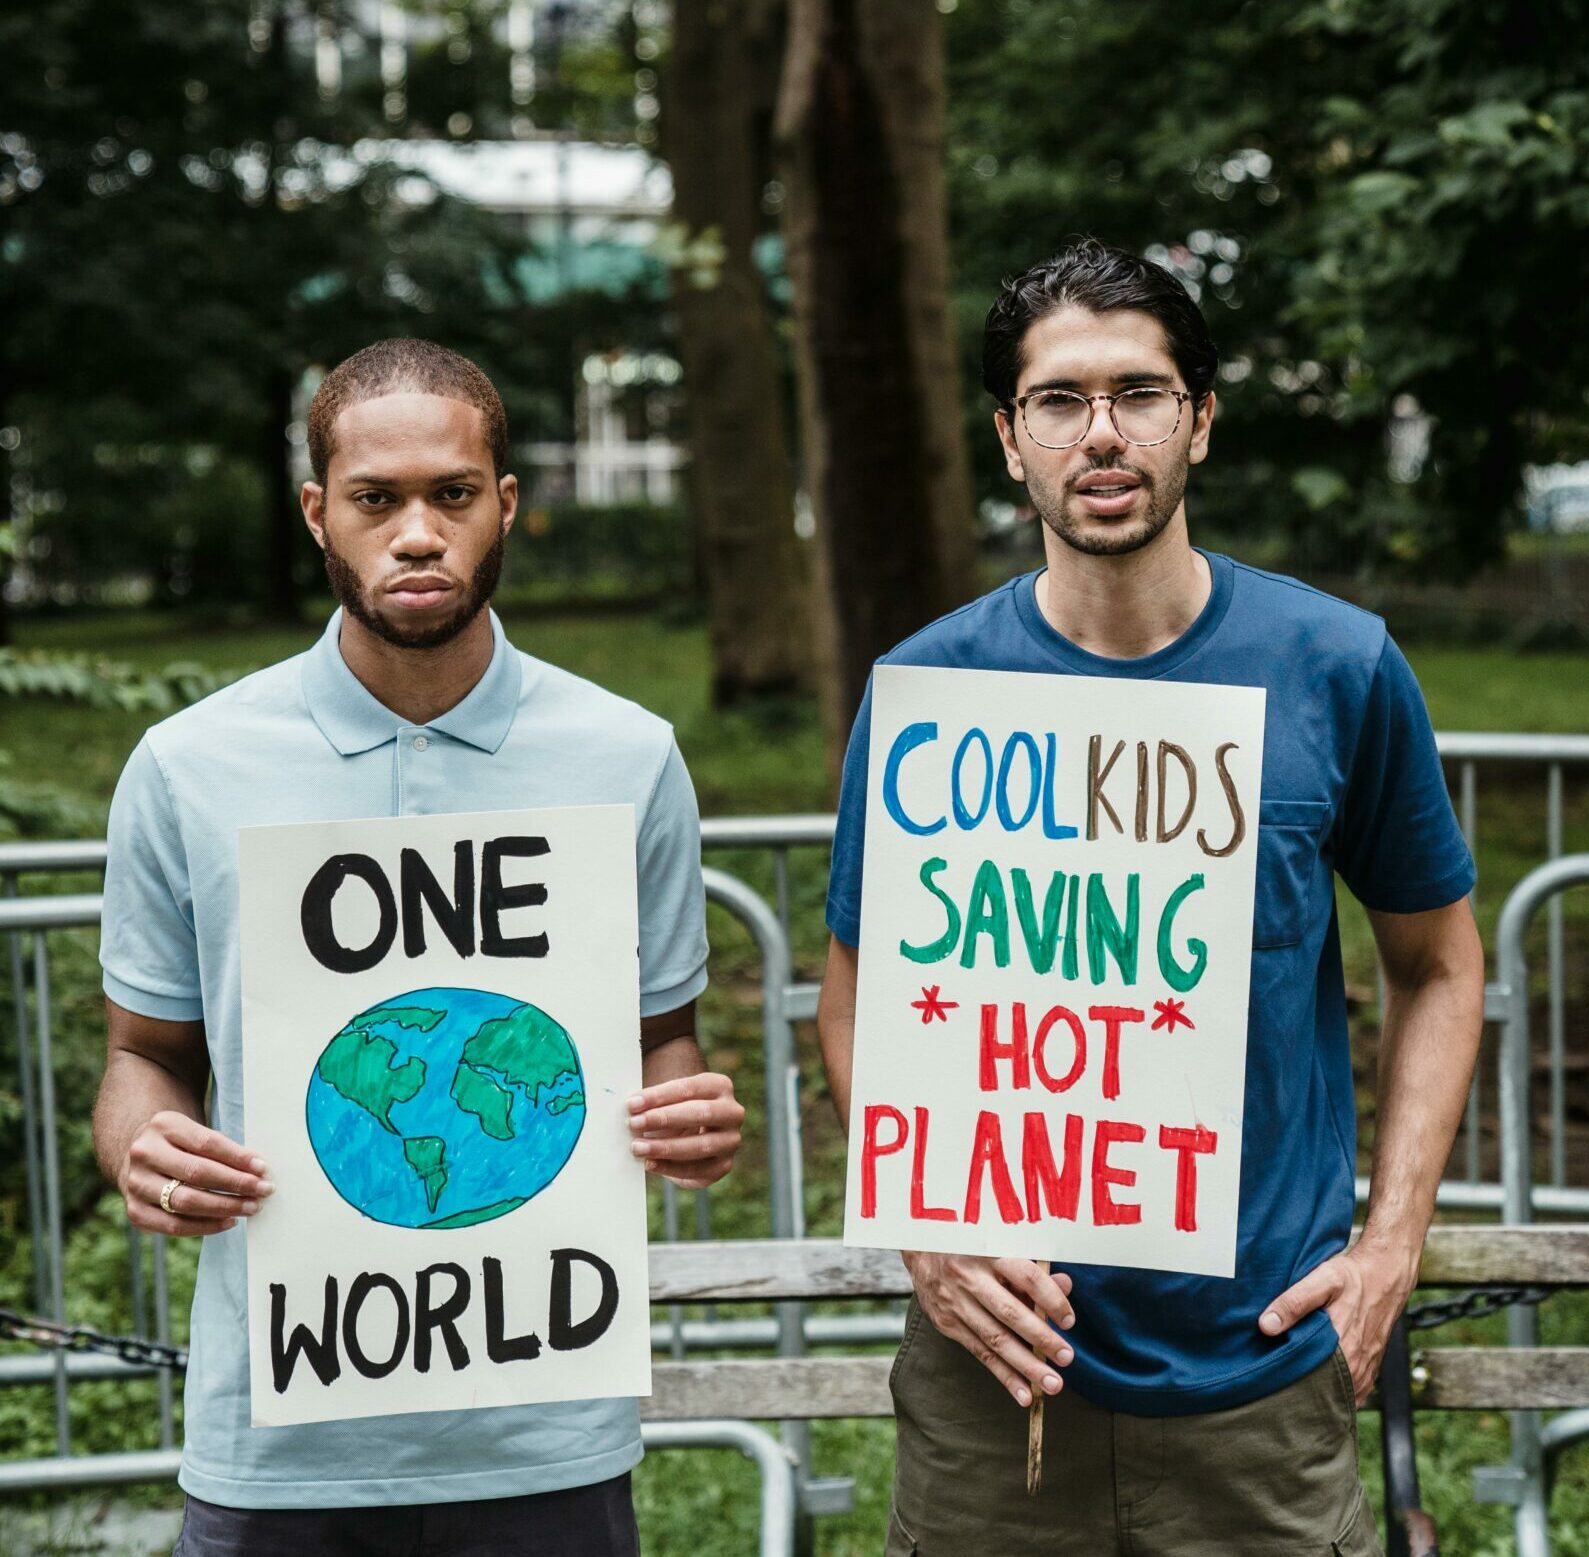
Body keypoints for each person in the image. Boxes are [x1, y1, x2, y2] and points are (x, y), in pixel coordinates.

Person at [816, 239, 1485, 1554]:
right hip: (996, 1375)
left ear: (1199, 422)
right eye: (1059, 401)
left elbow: (1439, 965)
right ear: (1010, 440)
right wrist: (928, 1238)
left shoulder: (1334, 665)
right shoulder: (926, 694)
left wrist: (1392, 1240)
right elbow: (855, 1006)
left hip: (1255, 1365)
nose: (1101, 434)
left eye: (1140, 395)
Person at [95, 339, 744, 1556]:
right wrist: (147, 1149)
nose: (415, 533)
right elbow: (145, 1054)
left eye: (450, 495)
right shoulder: (188, 767)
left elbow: (661, 1037)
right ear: (317, 514)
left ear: (505, 504)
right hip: (277, 1439)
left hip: (544, 1429)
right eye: (375, 499)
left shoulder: (628, 755)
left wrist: (687, 1115)